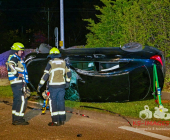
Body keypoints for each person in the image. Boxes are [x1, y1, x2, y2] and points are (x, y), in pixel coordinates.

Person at [37, 47, 71, 126]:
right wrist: (68, 82)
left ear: (51, 55)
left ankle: (55, 121)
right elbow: (69, 74)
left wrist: (40, 85)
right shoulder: (64, 62)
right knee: (61, 102)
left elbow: (45, 75)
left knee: (53, 103)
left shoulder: (50, 62)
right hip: (62, 85)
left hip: (53, 86)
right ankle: (62, 120)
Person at [6, 42, 29, 125]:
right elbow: (10, 65)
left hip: (16, 83)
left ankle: (15, 118)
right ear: (16, 50)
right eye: (20, 50)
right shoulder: (14, 58)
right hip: (18, 82)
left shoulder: (16, 58)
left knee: (17, 101)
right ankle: (18, 119)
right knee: (22, 100)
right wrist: (16, 74)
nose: (22, 52)